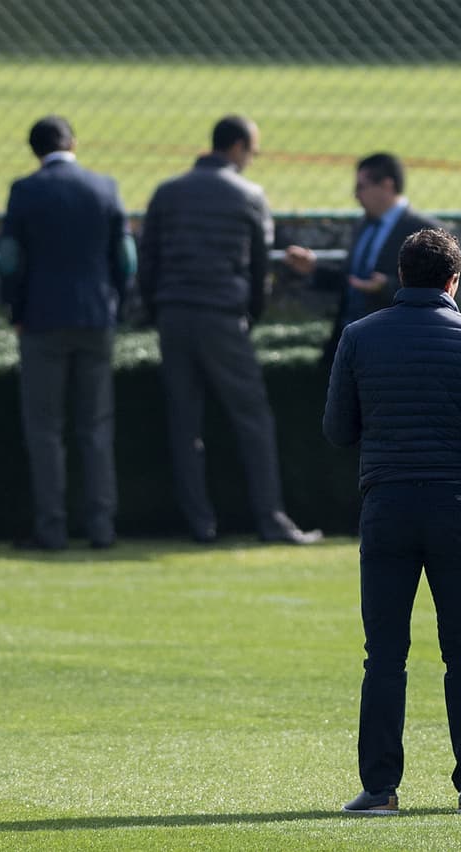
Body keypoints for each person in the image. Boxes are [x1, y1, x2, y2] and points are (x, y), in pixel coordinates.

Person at [323, 228, 461, 816]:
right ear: (453, 280)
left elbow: (338, 430)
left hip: (386, 504)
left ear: (399, 274)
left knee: (383, 654)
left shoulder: (360, 337)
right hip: (458, 509)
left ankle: (380, 789)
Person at [138, 114, 321, 545]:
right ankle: (270, 518)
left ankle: (200, 523)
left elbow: (148, 262)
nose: (252, 160)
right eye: (253, 151)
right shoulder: (249, 196)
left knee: (185, 424)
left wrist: (156, 309)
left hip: (174, 315)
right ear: (237, 147)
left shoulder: (167, 192)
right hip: (222, 316)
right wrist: (250, 315)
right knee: (252, 418)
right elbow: (261, 269)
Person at [0, 115, 135, 550]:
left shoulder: (25, 191)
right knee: (96, 426)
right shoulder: (105, 187)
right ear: (73, 142)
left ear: (35, 150)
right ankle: (101, 526)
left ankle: (52, 527)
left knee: (45, 428)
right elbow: (125, 258)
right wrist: (116, 299)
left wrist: (15, 308)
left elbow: (9, 260)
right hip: (95, 316)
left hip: (40, 318)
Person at [283, 152, 442, 365]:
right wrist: (313, 269)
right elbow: (351, 279)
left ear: (387, 185)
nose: (355, 195)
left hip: (392, 347)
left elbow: (436, 291)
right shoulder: (363, 225)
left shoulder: (423, 230)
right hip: (349, 342)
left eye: (361, 187)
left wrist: (387, 287)